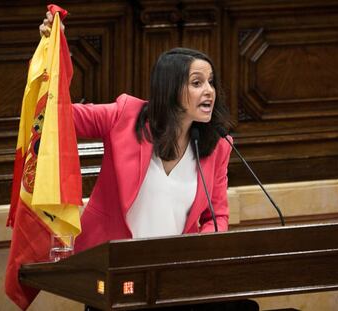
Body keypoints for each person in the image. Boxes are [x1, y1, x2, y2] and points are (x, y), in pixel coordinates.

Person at [40, 11, 259, 311]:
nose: (209, 90)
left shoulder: (217, 146)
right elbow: (59, 115)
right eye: (197, 82)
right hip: (114, 276)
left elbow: (215, 217)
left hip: (172, 280)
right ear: (170, 88)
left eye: (211, 82)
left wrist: (198, 250)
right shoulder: (124, 115)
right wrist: (51, 56)